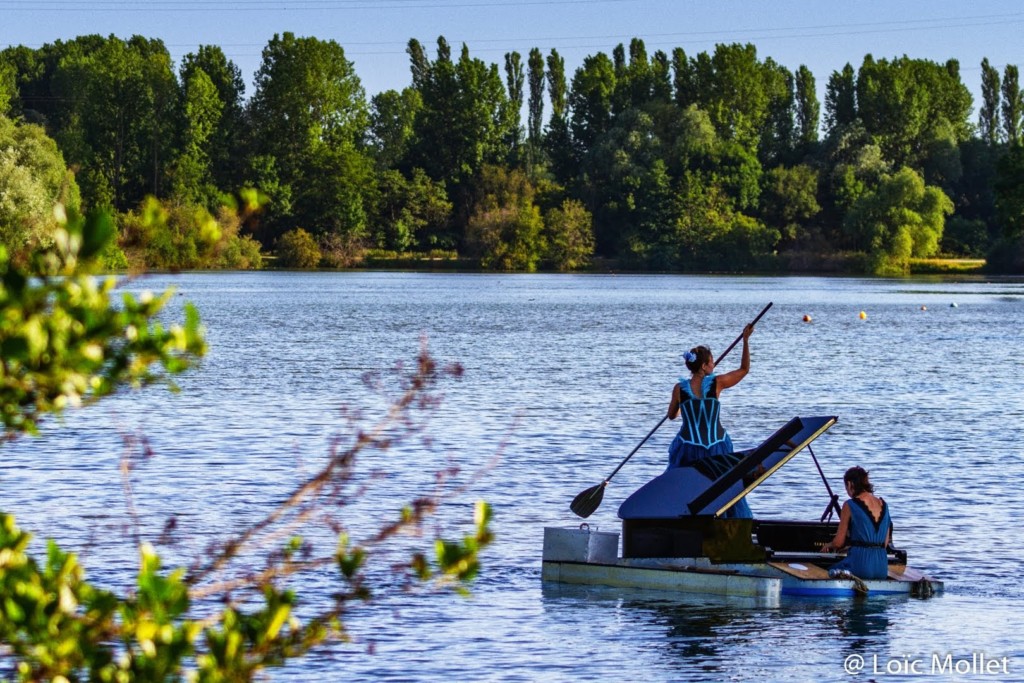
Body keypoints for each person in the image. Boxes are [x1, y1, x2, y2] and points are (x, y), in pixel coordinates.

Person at [666, 323, 754, 518]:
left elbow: (672, 415)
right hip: (716, 447)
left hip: (687, 448)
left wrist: (683, 406)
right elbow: (744, 369)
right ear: (705, 366)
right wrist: (746, 341)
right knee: (722, 492)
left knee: (688, 491)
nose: (714, 366)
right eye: (712, 362)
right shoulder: (717, 383)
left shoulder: (679, 389)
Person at [822, 467, 892, 580]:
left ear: (850, 484)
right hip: (881, 568)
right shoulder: (885, 505)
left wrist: (828, 545)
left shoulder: (849, 505)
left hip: (860, 566)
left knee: (827, 571)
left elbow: (838, 543)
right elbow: (885, 542)